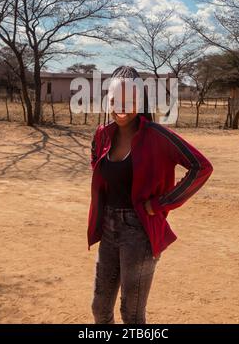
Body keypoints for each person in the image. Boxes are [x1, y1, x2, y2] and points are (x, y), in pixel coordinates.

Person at [88, 66, 213, 324]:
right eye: (114, 100)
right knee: (100, 309)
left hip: (139, 231)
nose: (120, 106)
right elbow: (97, 166)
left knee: (131, 314)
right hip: (109, 230)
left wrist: (161, 203)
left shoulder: (157, 136)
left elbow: (201, 167)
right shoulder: (102, 135)